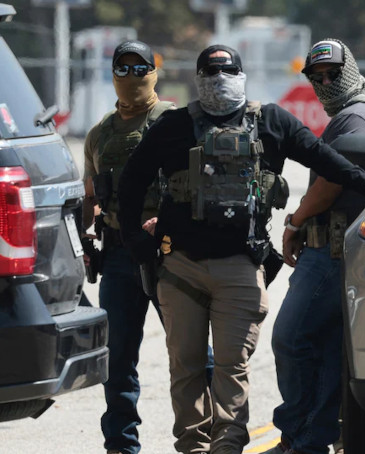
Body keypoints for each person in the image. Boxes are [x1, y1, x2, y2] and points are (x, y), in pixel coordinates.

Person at [115, 44, 365, 454]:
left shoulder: (271, 122)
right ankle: (195, 447)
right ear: (198, 78)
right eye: (211, 73)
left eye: (226, 72)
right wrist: (137, 243)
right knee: (191, 368)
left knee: (227, 368)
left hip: (238, 270)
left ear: (241, 76)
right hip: (183, 270)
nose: (219, 81)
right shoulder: (175, 126)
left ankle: (225, 446)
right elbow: (131, 182)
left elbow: (323, 158)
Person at [81, 40, 212, 454]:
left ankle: (209, 436)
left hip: (170, 252)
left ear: (154, 73)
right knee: (117, 357)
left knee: (192, 352)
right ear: (113, 74)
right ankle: (121, 444)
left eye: (140, 68)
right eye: (123, 68)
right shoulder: (100, 134)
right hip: (119, 255)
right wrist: (83, 237)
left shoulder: (174, 121)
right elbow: (91, 196)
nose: (132, 76)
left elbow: (201, 185)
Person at [266, 39, 365, 454]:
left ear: (350, 71)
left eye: (332, 74)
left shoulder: (358, 114)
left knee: (290, 337)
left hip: (333, 252)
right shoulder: (354, 112)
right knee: (321, 348)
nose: (324, 83)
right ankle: (309, 440)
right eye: (316, 77)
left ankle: (300, 434)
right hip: (332, 247)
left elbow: (334, 179)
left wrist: (295, 220)